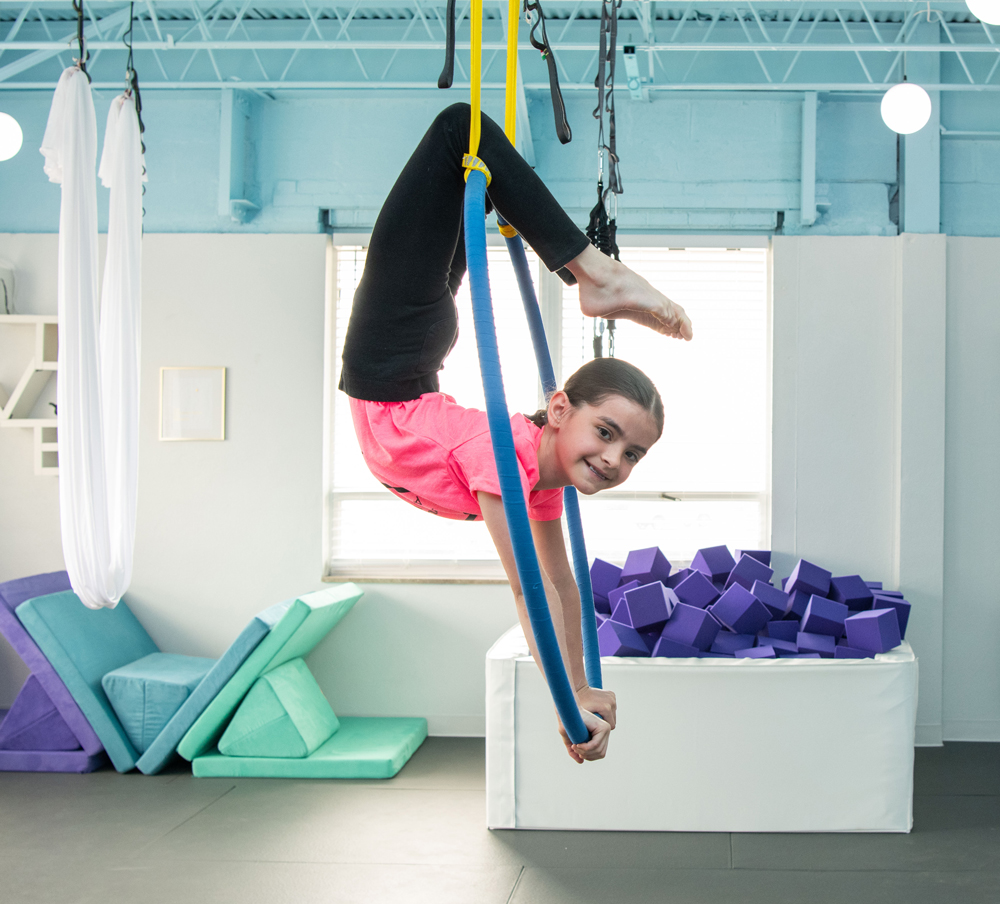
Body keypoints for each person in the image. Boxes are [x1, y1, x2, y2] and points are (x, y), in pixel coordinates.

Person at [340, 104, 693, 763]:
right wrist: (567, 700)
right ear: (559, 410)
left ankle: (594, 273)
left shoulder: (540, 483)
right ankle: (595, 273)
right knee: (457, 130)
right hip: (390, 364)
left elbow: (563, 587)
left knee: (459, 150)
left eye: (633, 453)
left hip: (409, 366)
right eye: (607, 432)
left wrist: (580, 688)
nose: (614, 459)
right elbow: (531, 588)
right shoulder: (502, 462)